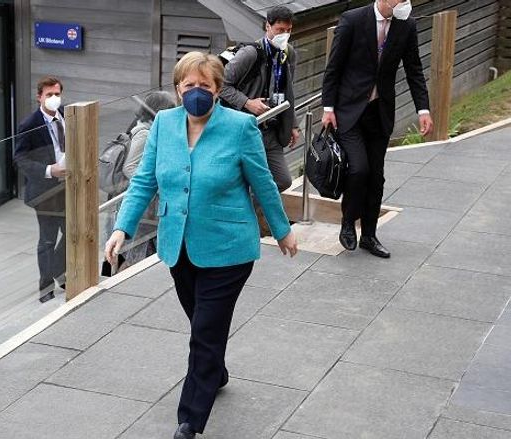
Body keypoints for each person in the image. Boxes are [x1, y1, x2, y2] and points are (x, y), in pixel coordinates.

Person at [104, 52, 298, 439]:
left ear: (217, 90)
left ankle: (190, 420)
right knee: (203, 323)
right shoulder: (164, 124)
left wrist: (282, 230)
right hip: (178, 246)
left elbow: (262, 181)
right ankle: (216, 371)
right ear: (178, 90)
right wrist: (122, 229)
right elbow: (144, 181)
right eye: (189, 85)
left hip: (228, 249)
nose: (196, 92)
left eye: (205, 86)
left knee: (204, 333)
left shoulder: (240, 127)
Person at [322, 0, 433, 258]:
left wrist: (423, 110)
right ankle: (348, 222)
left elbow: (414, 69)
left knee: (376, 177)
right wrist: (328, 108)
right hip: (348, 111)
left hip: (379, 112)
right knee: (359, 169)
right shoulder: (352, 20)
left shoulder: (406, 26)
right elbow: (333, 67)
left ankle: (369, 236)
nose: (405, 3)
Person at [220, 6, 300, 194]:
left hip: (272, 130)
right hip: (246, 128)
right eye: (280, 30)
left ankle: (252, 208)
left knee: (282, 181)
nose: (284, 35)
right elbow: (221, 85)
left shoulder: (289, 54)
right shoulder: (250, 53)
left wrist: (293, 124)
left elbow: (288, 92)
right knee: (241, 181)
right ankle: (246, 210)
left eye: (288, 30)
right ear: (268, 27)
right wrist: (247, 102)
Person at [15, 76, 67, 303]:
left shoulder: (66, 114)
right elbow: (20, 158)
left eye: (57, 94)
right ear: (39, 97)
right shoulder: (29, 124)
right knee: (48, 238)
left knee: (72, 232)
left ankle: (57, 268)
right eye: (49, 95)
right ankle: (46, 288)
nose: (54, 98)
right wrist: (49, 170)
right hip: (45, 191)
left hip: (67, 187)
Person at [118, 91, 177, 269]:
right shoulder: (144, 134)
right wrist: (153, 184)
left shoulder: (142, 127)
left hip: (146, 207)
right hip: (143, 205)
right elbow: (129, 167)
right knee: (136, 252)